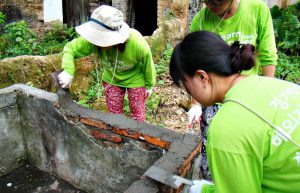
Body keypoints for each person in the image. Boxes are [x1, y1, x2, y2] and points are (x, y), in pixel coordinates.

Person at [169, 31, 300, 193]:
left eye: (186, 85)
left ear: (202, 77)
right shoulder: (275, 85)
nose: (189, 94)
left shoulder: (225, 129)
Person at [188, 0, 278, 179]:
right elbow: (194, 65)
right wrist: (196, 104)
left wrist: (268, 96)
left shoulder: (256, 9)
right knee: (212, 146)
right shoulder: (200, 20)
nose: (210, 8)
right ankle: (210, 181)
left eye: (215, 3)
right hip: (212, 98)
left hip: (247, 96)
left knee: (243, 148)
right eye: (206, 2)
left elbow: (268, 55)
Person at [58, 5, 156, 122]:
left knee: (137, 113)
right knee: (114, 117)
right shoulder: (91, 42)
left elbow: (148, 64)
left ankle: (139, 137)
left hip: (135, 78)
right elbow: (70, 48)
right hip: (112, 78)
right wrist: (68, 71)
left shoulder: (137, 43)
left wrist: (149, 85)